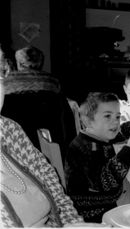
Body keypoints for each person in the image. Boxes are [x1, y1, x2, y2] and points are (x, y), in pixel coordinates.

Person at [0, 48, 85, 227]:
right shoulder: (53, 80)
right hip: (52, 136)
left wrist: (72, 224)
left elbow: (53, 189)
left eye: (0, 72)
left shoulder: (9, 128)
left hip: (28, 136)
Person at [64, 92, 130, 223]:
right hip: (94, 214)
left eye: (117, 116)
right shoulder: (88, 148)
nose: (115, 121)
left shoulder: (96, 136)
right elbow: (105, 183)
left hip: (107, 203)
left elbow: (117, 133)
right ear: (88, 121)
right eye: (107, 116)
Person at [1, 46, 76, 161]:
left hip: (15, 140)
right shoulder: (52, 81)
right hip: (48, 137)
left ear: (19, 63)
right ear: (40, 63)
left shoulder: (6, 82)